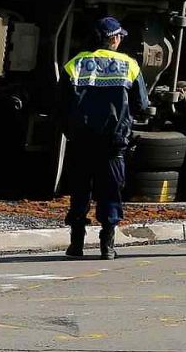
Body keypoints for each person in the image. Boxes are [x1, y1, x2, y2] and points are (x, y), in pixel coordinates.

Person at [61, 16, 150, 259]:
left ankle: (76, 244)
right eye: (119, 36)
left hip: (81, 140)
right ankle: (107, 246)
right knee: (110, 191)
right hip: (113, 141)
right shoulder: (128, 65)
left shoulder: (75, 64)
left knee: (80, 191)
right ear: (114, 39)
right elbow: (141, 104)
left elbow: (61, 104)